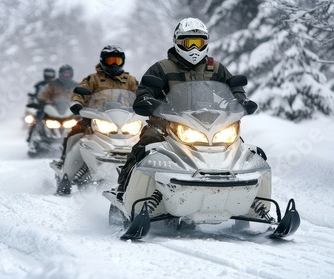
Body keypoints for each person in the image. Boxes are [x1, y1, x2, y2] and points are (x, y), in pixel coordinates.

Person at [116, 17, 258, 196]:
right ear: (177, 42)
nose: (194, 48)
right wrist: (148, 101)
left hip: (211, 126)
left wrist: (240, 100)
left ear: (206, 43)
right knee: (144, 146)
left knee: (240, 149)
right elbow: (145, 91)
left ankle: (248, 197)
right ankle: (124, 188)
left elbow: (233, 86)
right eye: (188, 43)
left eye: (198, 43)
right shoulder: (161, 68)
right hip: (167, 125)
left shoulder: (215, 68)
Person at [54, 45, 139, 169]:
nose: (114, 64)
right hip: (96, 118)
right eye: (111, 61)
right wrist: (77, 103)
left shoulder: (130, 80)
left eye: (117, 61)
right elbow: (80, 92)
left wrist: (147, 105)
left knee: (143, 137)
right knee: (74, 132)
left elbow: (140, 95)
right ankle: (64, 162)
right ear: (103, 61)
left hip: (125, 120)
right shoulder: (92, 79)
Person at [26, 68, 56, 142]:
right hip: (42, 108)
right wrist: (34, 102)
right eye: (48, 74)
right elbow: (34, 95)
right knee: (35, 120)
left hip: (56, 108)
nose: (49, 76)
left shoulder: (57, 85)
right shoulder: (39, 85)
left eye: (51, 74)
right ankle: (31, 136)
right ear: (44, 74)